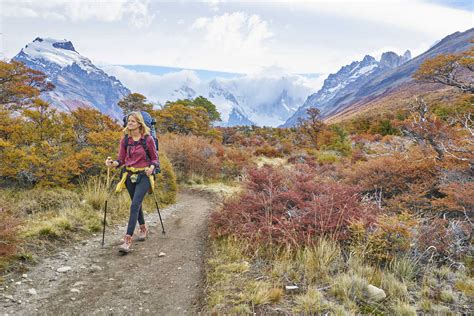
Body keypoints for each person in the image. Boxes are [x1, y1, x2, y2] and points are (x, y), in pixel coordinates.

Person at [105, 111, 159, 253]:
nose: (129, 123)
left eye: (133, 121)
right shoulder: (125, 140)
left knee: (134, 204)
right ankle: (143, 228)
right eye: (128, 121)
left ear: (139, 124)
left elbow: (155, 159)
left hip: (144, 176)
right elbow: (121, 160)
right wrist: (112, 164)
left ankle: (127, 239)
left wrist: (152, 168)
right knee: (136, 204)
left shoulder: (148, 140)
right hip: (129, 176)